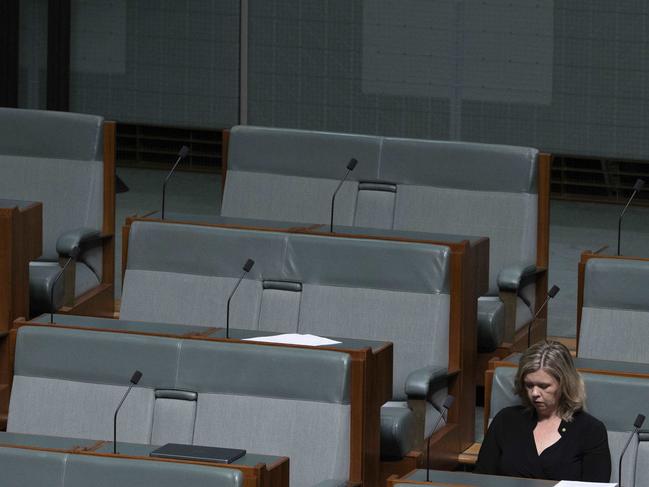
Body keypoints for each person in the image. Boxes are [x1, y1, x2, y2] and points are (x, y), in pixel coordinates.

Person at [475, 340, 611, 481]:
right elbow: (480, 478)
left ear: (564, 384)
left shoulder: (591, 431)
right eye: (529, 385)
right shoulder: (506, 420)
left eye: (544, 386)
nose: (534, 393)